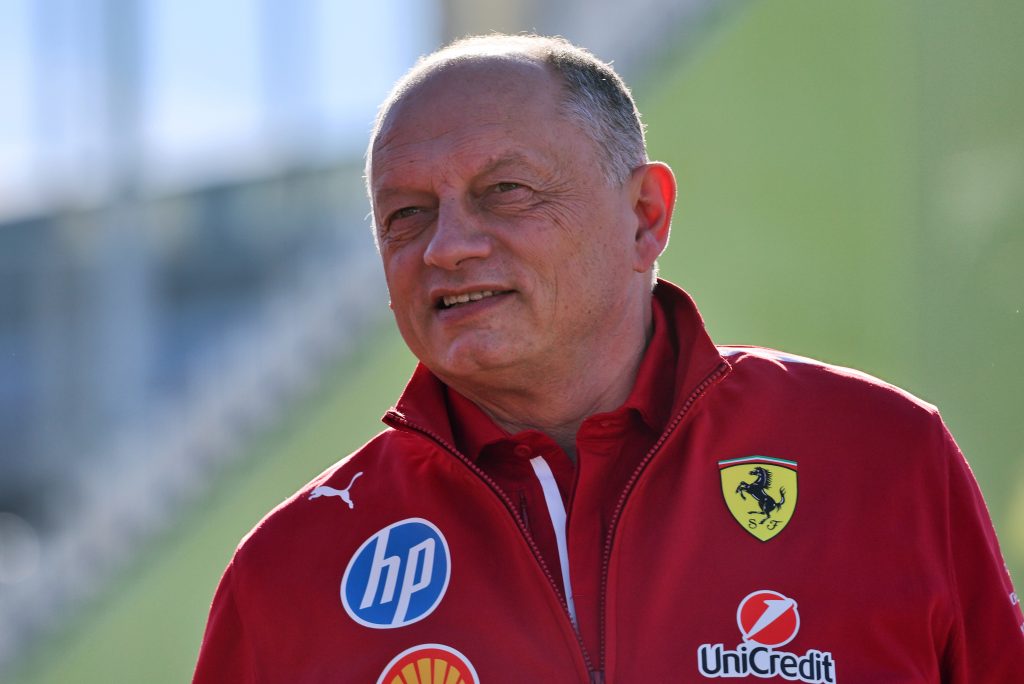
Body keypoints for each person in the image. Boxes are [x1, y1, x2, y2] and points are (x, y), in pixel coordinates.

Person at [193, 34, 1024, 683]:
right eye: (405, 215)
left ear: (645, 215)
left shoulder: (880, 455)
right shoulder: (288, 574)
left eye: (506, 192)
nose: (446, 247)